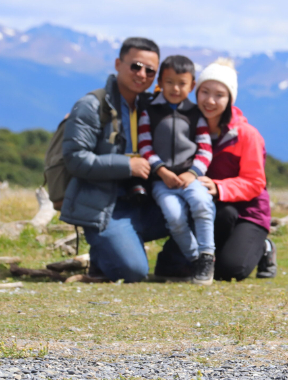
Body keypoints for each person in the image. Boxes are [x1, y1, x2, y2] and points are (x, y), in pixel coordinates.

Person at [156, 58, 277, 281]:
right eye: (205, 92)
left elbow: (255, 182)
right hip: (215, 210)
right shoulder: (188, 126)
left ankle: (263, 247)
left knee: (231, 270)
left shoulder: (247, 135)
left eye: (219, 95)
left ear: (230, 99)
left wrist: (219, 187)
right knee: (166, 267)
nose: (210, 100)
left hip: (248, 213)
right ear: (196, 91)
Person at [59, 37, 166, 283]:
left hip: (143, 201)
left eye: (150, 70)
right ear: (118, 64)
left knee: (200, 212)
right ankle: (107, 251)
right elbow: (75, 159)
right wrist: (128, 166)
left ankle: (167, 262)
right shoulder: (91, 106)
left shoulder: (151, 106)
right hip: (105, 207)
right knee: (134, 273)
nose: (142, 74)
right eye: (135, 66)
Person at [137, 55, 216, 285]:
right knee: (174, 217)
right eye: (169, 82)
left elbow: (205, 150)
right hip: (162, 181)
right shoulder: (148, 112)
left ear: (192, 85)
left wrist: (193, 173)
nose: (175, 88)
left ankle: (207, 255)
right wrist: (161, 171)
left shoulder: (196, 114)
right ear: (160, 81)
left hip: (191, 178)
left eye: (182, 83)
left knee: (202, 206)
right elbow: (144, 145)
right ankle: (197, 261)